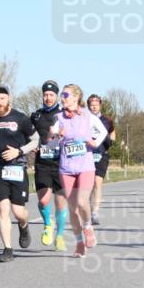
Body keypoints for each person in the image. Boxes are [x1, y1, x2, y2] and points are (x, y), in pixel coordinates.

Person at [0, 85, 39, 263]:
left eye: (2, 99)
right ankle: (7, 249)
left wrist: (19, 151)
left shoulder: (21, 118)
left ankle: (24, 225)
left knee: (18, 211)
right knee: (3, 208)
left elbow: (36, 139)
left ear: (9, 99)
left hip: (17, 167)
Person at [49, 84, 108, 257]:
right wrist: (55, 137)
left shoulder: (88, 116)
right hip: (66, 168)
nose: (62, 98)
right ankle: (79, 242)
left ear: (76, 98)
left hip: (85, 166)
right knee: (73, 209)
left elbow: (102, 131)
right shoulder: (58, 117)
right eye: (62, 95)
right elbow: (50, 143)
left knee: (83, 202)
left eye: (66, 95)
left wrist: (94, 142)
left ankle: (88, 227)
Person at [31, 80, 69, 251]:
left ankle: (59, 236)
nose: (47, 98)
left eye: (51, 95)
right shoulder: (35, 116)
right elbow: (28, 136)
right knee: (43, 200)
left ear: (56, 96)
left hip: (62, 164)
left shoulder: (64, 115)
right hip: (42, 164)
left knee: (61, 204)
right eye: (45, 95)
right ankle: (48, 224)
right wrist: (33, 146)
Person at [87, 94, 116, 225]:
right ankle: (86, 209)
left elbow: (113, 133)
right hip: (87, 154)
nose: (94, 107)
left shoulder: (107, 120)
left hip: (101, 154)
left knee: (97, 183)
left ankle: (95, 212)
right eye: (91, 105)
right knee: (88, 185)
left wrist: (111, 141)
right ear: (88, 106)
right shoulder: (84, 119)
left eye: (96, 105)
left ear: (100, 105)